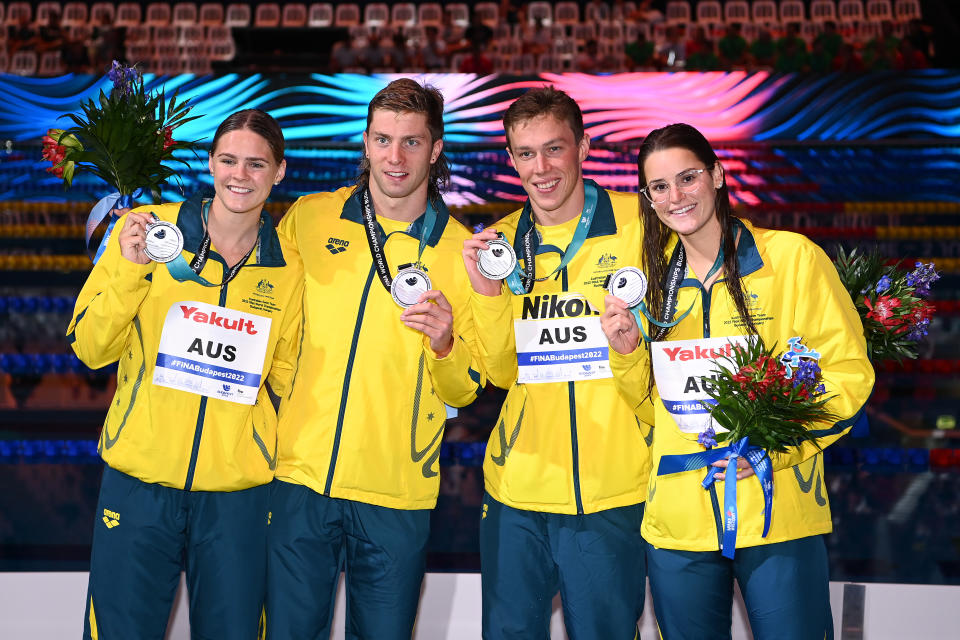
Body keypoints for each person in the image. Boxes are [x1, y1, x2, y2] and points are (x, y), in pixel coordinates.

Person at [600, 123, 874, 639]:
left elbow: (847, 376)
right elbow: (647, 409)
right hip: (680, 517)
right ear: (648, 198)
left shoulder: (793, 260)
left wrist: (773, 452)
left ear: (718, 176)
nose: (675, 196)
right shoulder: (649, 283)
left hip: (778, 508)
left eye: (688, 178)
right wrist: (627, 353)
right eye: (659, 187)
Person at [67, 109, 302, 639]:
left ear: (279, 171)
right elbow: (91, 347)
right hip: (139, 481)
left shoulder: (289, 269)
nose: (239, 175)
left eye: (256, 164)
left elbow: (291, 378)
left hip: (237, 492)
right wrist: (129, 269)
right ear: (212, 164)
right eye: (228, 160)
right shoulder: (150, 231)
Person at [266, 78, 484, 639]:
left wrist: (445, 346)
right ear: (364, 142)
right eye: (383, 140)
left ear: (435, 150)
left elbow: (466, 389)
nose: (395, 157)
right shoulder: (310, 220)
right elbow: (269, 325)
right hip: (299, 480)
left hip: (396, 491)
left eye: (412, 142)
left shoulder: (460, 255)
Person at [462, 87, 650, 638]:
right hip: (517, 490)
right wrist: (487, 295)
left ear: (583, 146)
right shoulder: (501, 244)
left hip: (613, 489)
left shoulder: (641, 225)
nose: (539, 169)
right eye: (524, 153)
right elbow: (499, 371)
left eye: (553, 149)